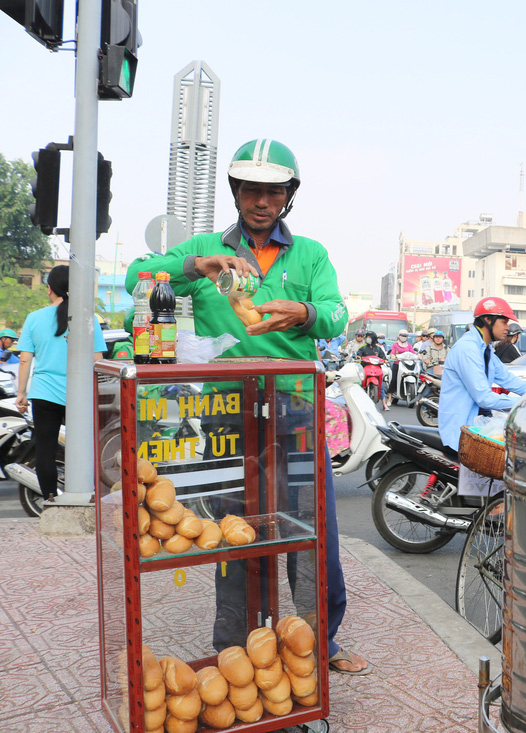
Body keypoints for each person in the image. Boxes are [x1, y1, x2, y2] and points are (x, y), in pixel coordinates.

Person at [124, 138, 368, 676]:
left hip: (296, 411)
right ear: (236, 192)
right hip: (227, 415)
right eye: (252, 189)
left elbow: (334, 314)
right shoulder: (208, 247)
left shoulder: (310, 254)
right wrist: (197, 263)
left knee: (309, 529)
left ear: (288, 197)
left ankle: (318, 643)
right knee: (233, 528)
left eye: (274, 191)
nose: (262, 200)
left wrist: (303, 310)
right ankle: (235, 643)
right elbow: (136, 278)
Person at [15, 266, 107, 501]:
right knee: (85, 447)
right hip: (80, 394)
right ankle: (89, 496)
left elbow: (25, 359)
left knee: (45, 448)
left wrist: (21, 394)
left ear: (49, 289)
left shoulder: (34, 318)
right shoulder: (89, 318)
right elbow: (98, 360)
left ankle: (50, 499)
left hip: (44, 394)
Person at [439, 296, 526, 453]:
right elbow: (484, 398)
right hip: (460, 432)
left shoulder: (486, 349)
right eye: (504, 322)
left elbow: (508, 379)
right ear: (488, 320)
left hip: (477, 429)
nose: (507, 328)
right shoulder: (468, 349)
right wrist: (522, 403)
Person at [356, 331, 390, 410]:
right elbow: (359, 354)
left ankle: (384, 404)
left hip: (376, 369)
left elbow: (383, 357)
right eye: (367, 337)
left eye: (369, 337)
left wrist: (385, 360)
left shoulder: (378, 348)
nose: (368, 339)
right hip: (365, 368)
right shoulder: (363, 348)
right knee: (359, 384)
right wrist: (358, 357)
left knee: (381, 385)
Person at [387, 329, 417, 406]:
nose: (403, 337)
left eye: (405, 336)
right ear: (399, 336)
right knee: (394, 379)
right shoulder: (395, 345)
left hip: (407, 364)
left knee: (415, 375)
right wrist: (393, 356)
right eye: (402, 335)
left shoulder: (409, 345)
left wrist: (418, 355)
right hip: (398, 364)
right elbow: (392, 353)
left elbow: (413, 352)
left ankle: (415, 397)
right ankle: (390, 397)